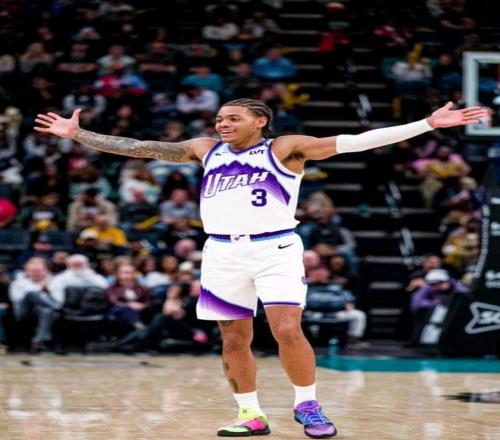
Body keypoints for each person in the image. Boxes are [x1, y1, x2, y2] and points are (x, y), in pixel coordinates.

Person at [34, 98, 486, 438]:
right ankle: (250, 414)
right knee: (234, 338)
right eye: (219, 119)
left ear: (260, 121)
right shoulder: (205, 149)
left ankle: (307, 405)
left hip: (276, 248)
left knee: (287, 328)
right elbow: (140, 147)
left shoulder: (285, 149)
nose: (222, 124)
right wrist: (79, 135)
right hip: (221, 253)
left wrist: (426, 124)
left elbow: (354, 142)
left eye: (233, 118)